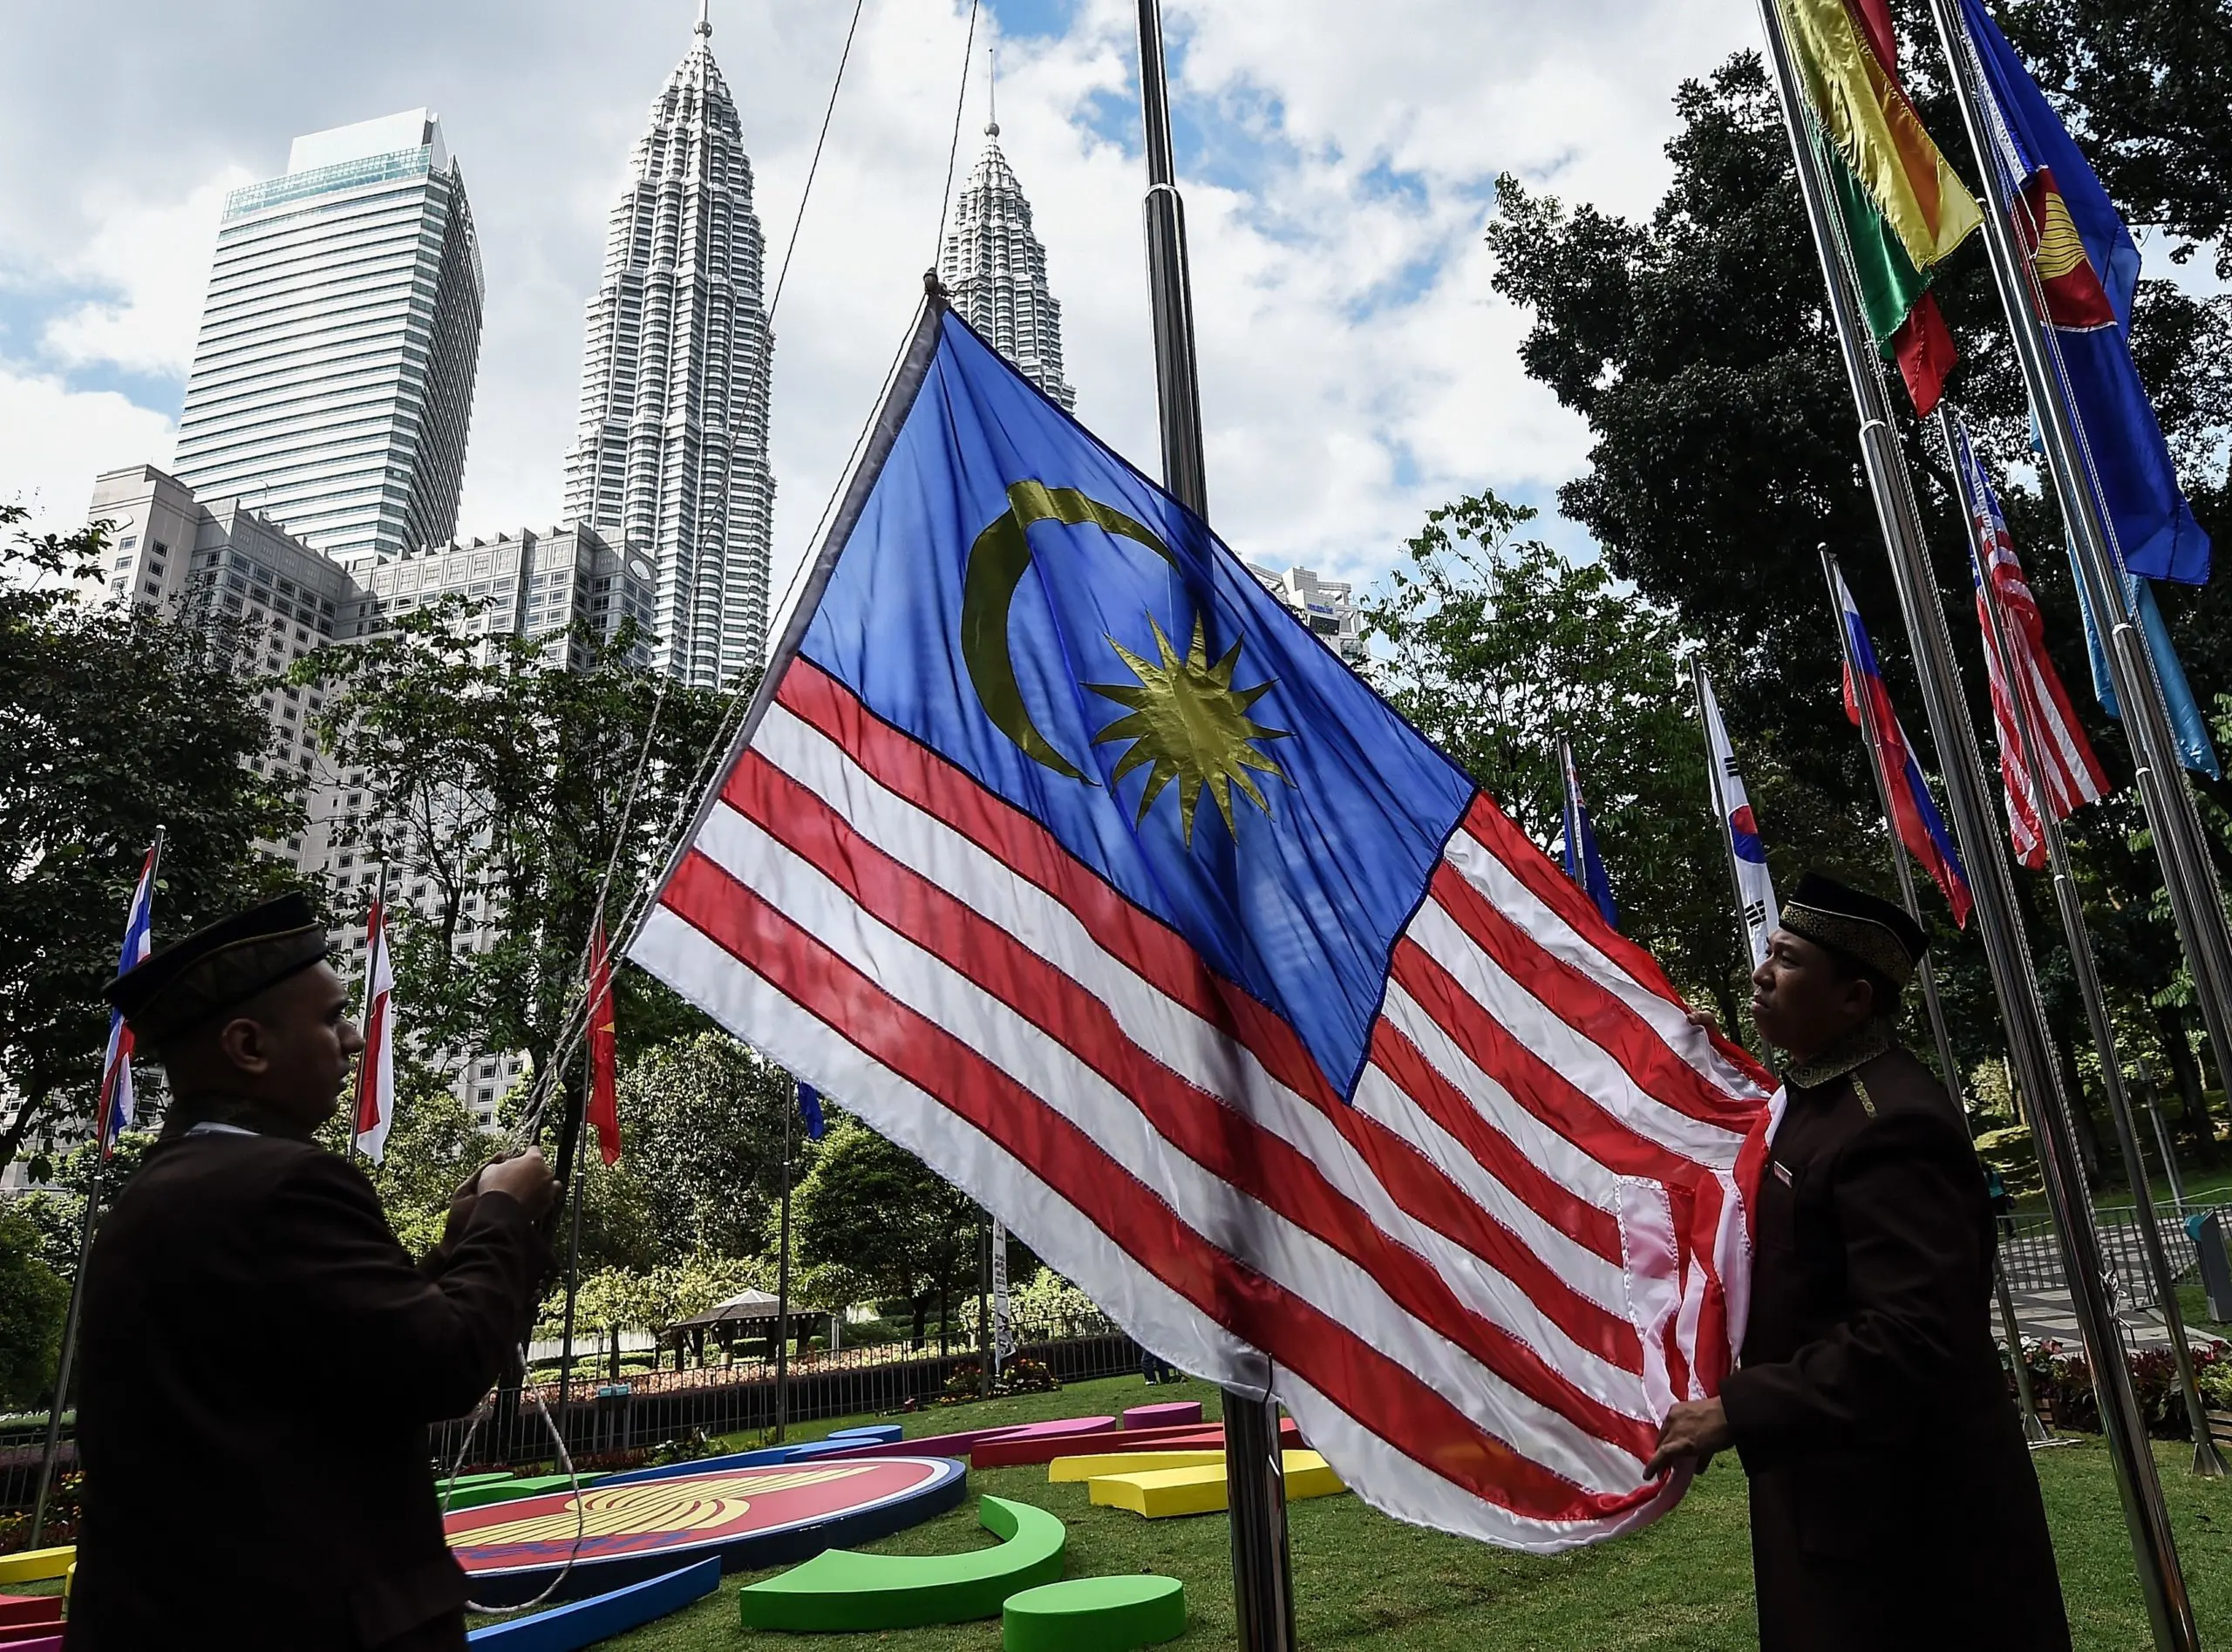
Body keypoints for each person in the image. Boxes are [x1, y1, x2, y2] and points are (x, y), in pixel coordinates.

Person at [66, 894, 558, 1652]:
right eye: (331, 1018)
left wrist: (460, 1242)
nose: (358, 1037)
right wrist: (501, 1214)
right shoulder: (289, 1184)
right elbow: (443, 1363)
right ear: (248, 1045)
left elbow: (353, 1349)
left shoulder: (157, 1193)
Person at [1649, 874, 2069, 1651]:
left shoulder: (1893, 1125)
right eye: (1768, 952)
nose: (1761, 973)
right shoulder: (1817, 1097)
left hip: (1907, 1532)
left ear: (1854, 1000)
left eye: (1789, 960)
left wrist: (1740, 1408)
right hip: (1832, 1504)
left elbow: (1911, 1335)